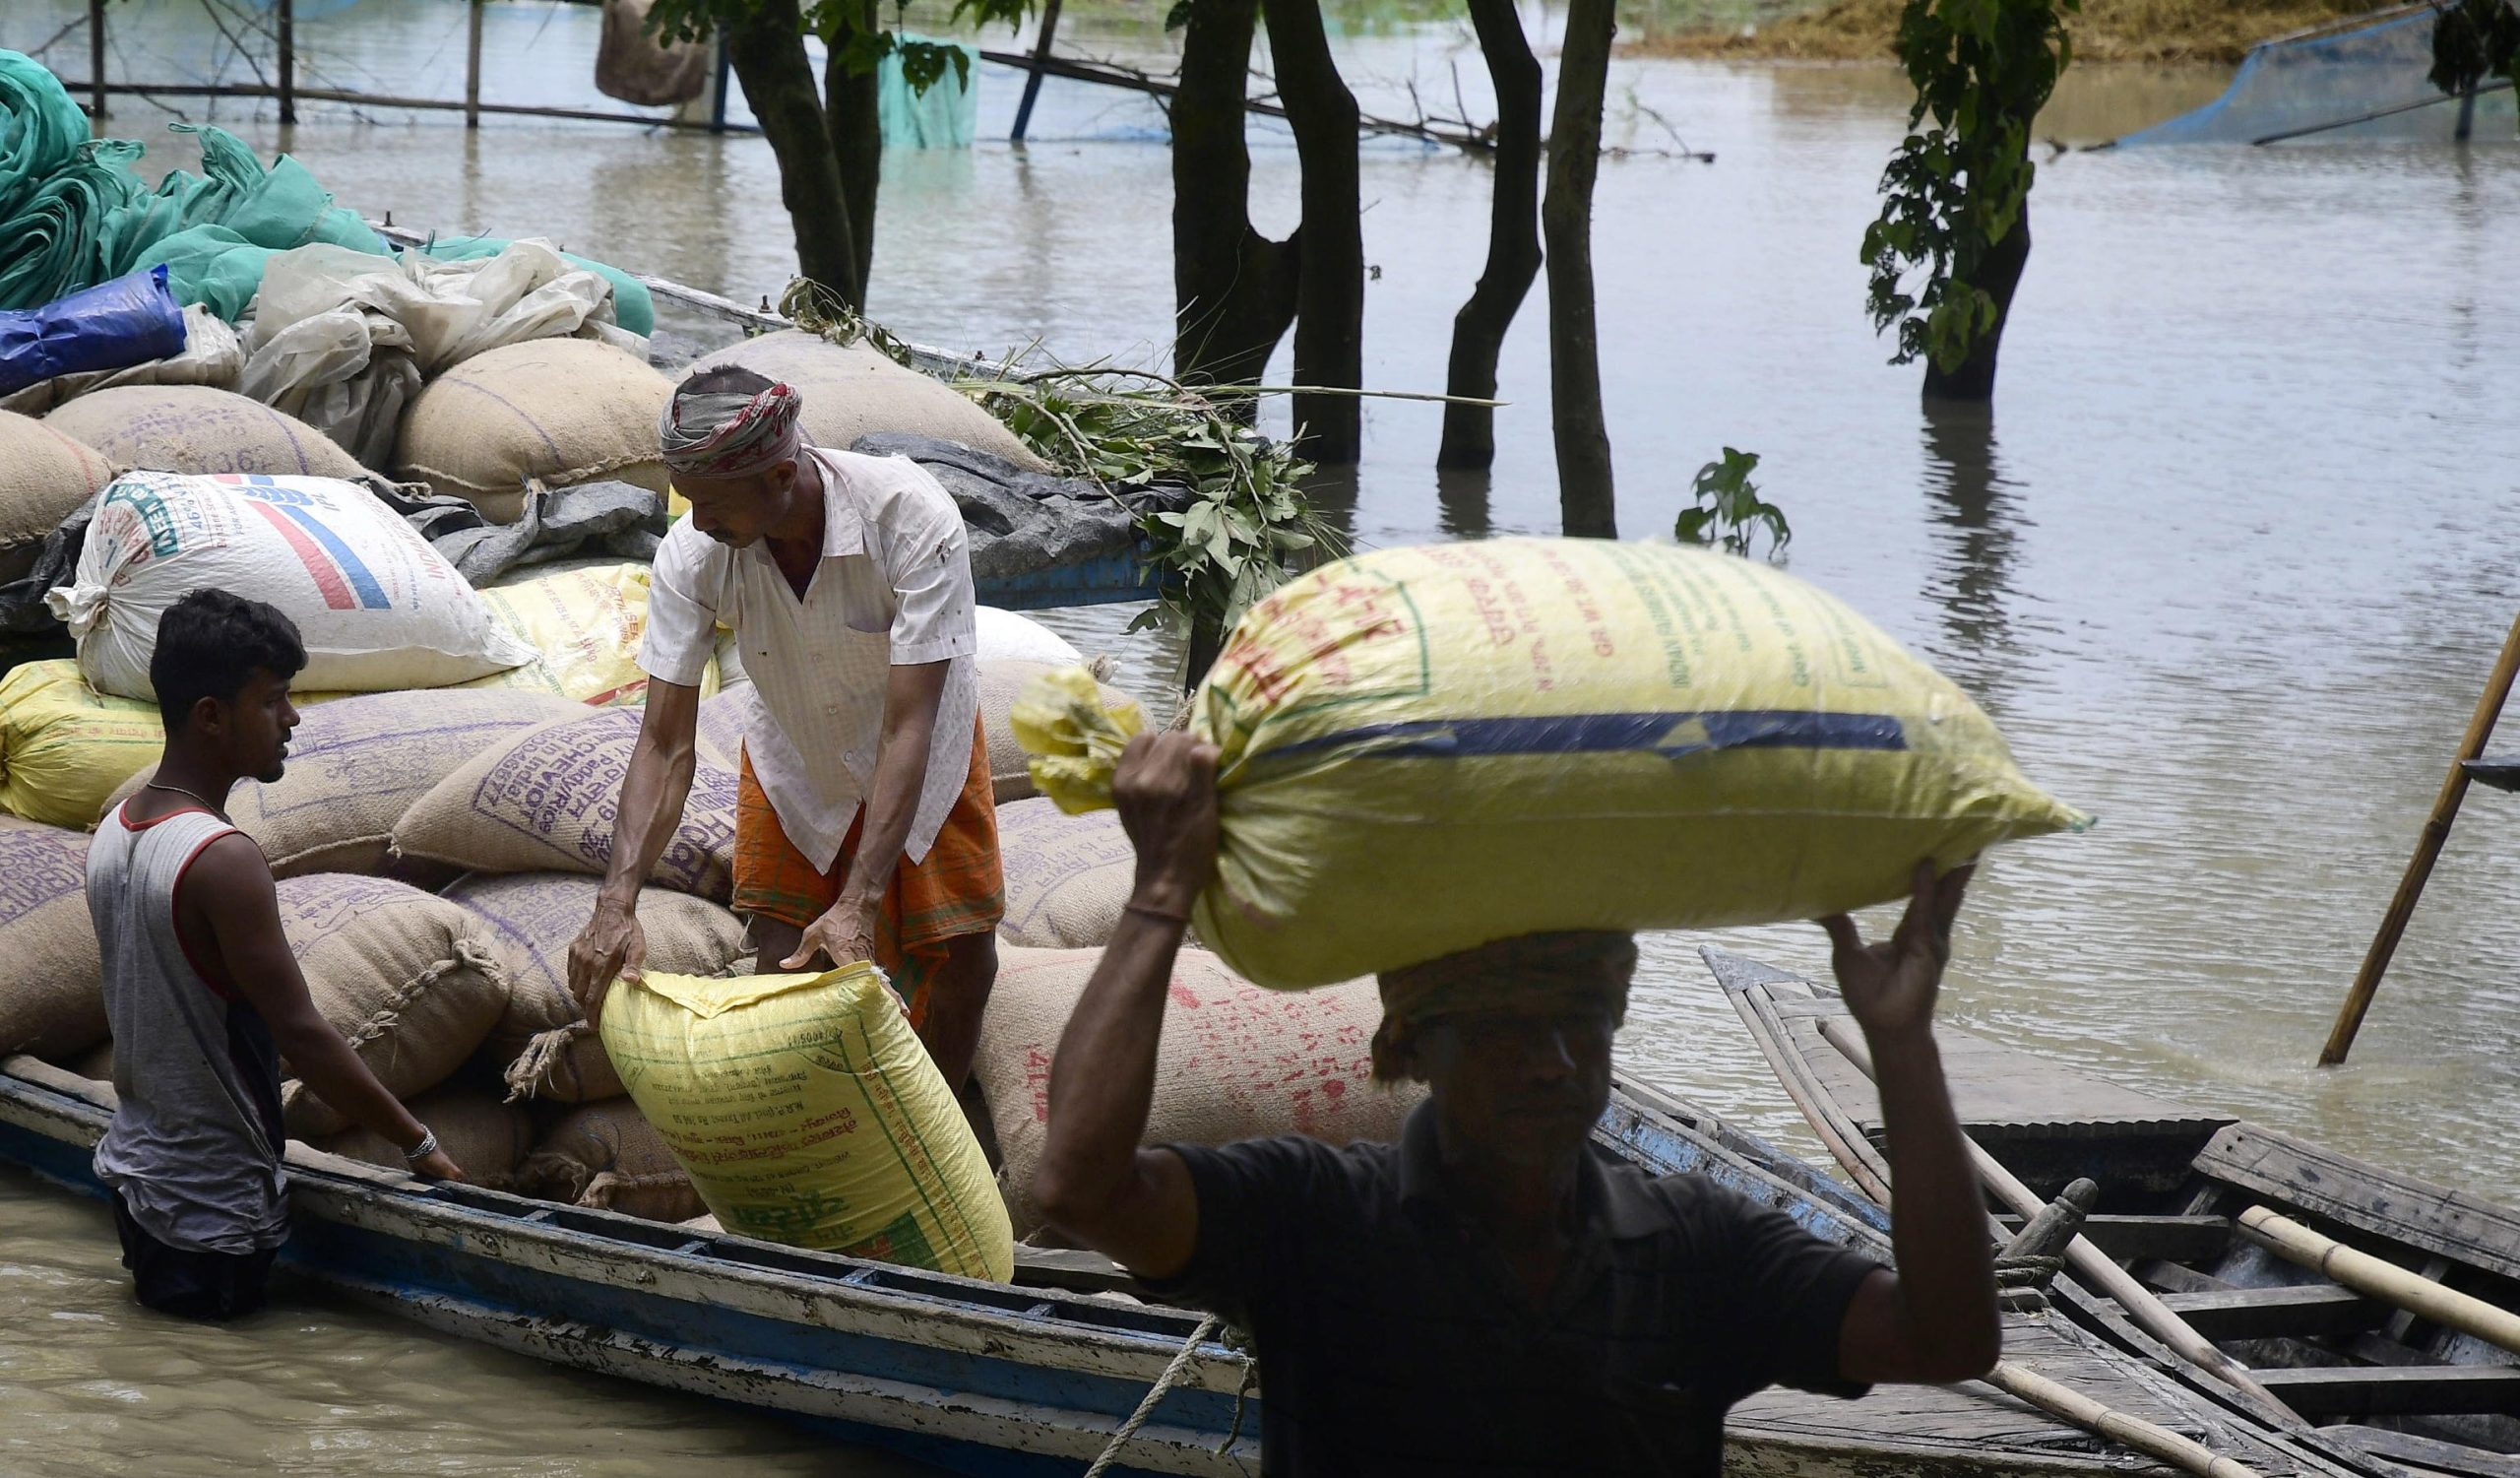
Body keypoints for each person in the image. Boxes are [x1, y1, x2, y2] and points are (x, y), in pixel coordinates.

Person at [1033, 732, 2001, 1475]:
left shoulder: (1698, 1247)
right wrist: (1162, 891)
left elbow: (1946, 1335)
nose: (1551, 1062)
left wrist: (1901, 1045)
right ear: (1412, 1044)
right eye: (1504, 1027)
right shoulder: (1313, 1216)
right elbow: (1080, 1186)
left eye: (1582, 1020)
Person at [566, 367, 1002, 1088]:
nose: (698, 521)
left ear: (781, 476)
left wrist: (860, 901)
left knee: (959, 963)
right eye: (688, 500)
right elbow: (665, 742)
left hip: (923, 751)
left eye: (712, 502)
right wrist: (617, 900)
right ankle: (808, 1138)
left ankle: (935, 1135)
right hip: (795, 756)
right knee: (783, 964)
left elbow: (908, 724)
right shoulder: (694, 552)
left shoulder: (909, 515)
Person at [90, 590, 466, 1322]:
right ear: (210, 715)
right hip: (211, 1206)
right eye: (272, 700)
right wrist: (418, 1143)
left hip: (137, 1178)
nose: (292, 718)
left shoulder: (118, 829)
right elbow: (303, 1034)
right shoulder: (222, 860)